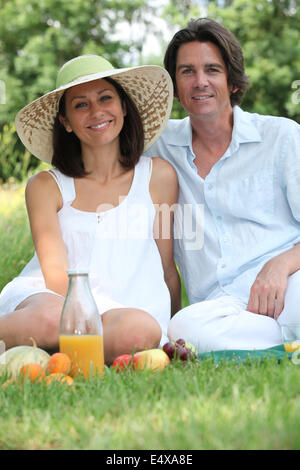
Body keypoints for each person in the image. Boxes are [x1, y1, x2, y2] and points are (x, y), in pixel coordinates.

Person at [0, 54, 181, 364]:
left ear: (124, 106)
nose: (97, 111)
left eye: (105, 98)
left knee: (139, 332)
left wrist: (175, 331)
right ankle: (50, 344)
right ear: (66, 122)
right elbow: (58, 279)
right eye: (81, 104)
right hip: (53, 301)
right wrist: (80, 323)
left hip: (123, 311)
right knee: (50, 320)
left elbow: (166, 267)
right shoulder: (46, 186)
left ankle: (38, 351)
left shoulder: (158, 176)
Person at [145, 17, 300, 353]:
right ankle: (286, 343)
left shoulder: (281, 137)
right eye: (187, 71)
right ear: (175, 83)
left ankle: (271, 341)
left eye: (212, 70)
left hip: (290, 284)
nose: (200, 81)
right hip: (221, 308)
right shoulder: (158, 146)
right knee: (183, 328)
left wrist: (282, 264)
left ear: (232, 81)